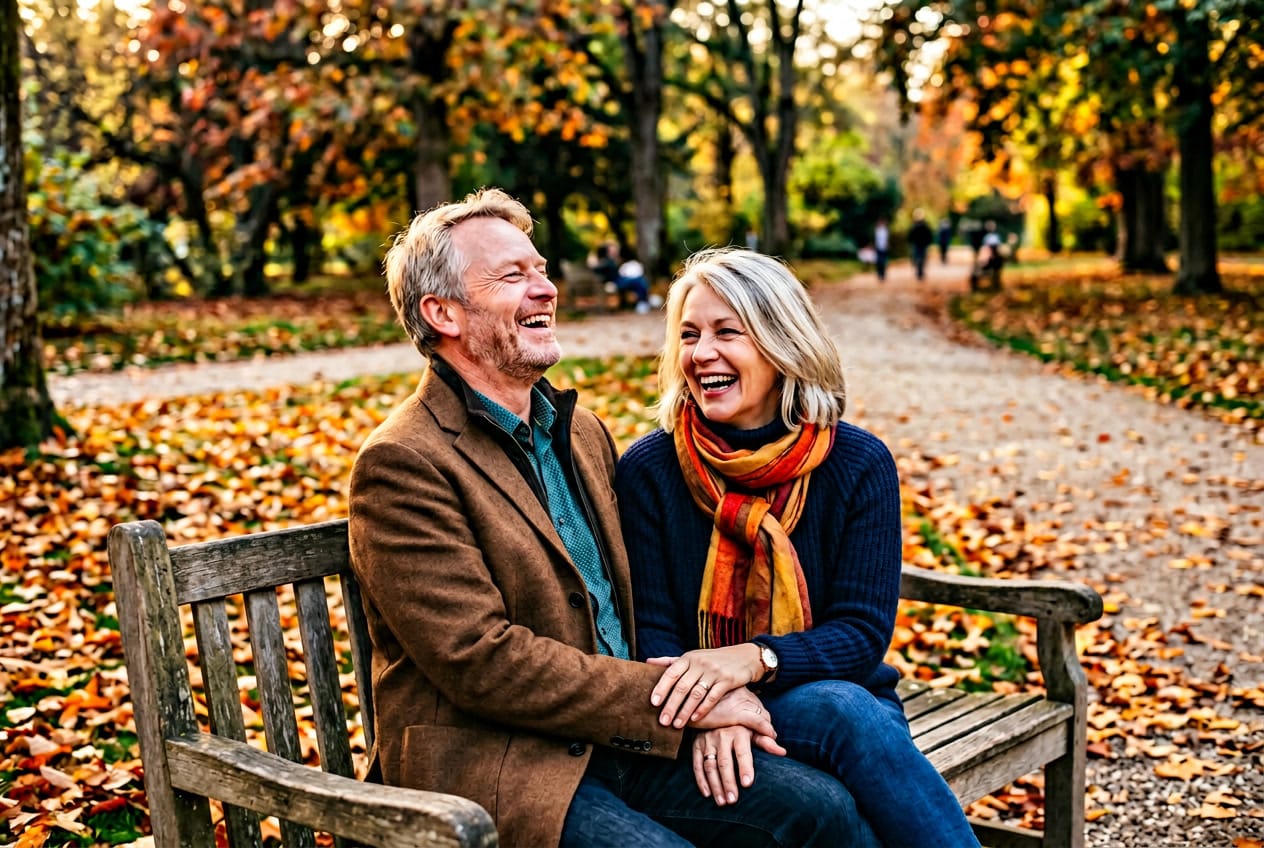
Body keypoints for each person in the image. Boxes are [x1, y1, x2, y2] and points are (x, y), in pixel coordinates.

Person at [349, 189, 881, 848]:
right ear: (443, 314)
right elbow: (481, 661)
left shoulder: (581, 433)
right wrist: (687, 703)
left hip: (615, 736)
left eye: (541, 270)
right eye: (514, 276)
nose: (545, 290)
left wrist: (705, 697)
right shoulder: (404, 462)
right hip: (500, 763)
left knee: (819, 808)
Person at [615, 247, 982, 848]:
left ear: (781, 342)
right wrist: (716, 705)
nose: (701, 353)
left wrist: (752, 661)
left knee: (845, 710)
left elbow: (862, 632)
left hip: (829, 703)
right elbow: (649, 631)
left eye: (726, 332)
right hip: (685, 708)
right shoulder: (651, 469)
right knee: (836, 806)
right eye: (688, 335)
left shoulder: (858, 463)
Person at [592, 240, 651, 312]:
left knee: (639, 281)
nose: (615, 251)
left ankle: (643, 301)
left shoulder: (612, 260)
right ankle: (643, 302)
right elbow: (597, 269)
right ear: (606, 251)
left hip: (619, 280)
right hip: (614, 282)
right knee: (638, 280)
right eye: (612, 250)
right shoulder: (605, 261)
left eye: (615, 250)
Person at [907, 209, 934, 282]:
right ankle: (920, 272)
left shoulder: (915, 225)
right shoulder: (922, 225)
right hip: (920, 244)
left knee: (919, 258)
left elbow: (910, 236)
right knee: (920, 258)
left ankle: (920, 272)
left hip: (920, 244)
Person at [872, 217, 890, 282]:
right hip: (878, 248)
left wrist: (887, 245)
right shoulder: (877, 230)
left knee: (884, 262)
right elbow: (875, 239)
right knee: (878, 262)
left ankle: (883, 275)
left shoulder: (885, 230)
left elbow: (887, 239)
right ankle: (879, 274)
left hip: (884, 248)